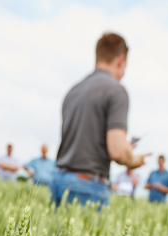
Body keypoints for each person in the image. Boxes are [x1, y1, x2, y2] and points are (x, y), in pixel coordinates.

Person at [51, 32, 149, 207]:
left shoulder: (74, 90)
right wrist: (134, 160)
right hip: (86, 185)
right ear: (121, 59)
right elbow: (117, 151)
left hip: (59, 180)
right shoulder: (116, 91)